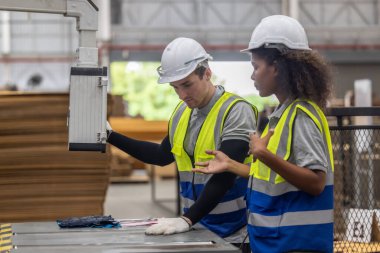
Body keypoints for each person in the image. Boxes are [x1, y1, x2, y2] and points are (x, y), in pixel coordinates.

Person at [193, 15, 334, 253]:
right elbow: (275, 178)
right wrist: (232, 166)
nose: (252, 76)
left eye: (255, 67)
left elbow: (316, 182)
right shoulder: (283, 114)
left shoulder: (301, 115)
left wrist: (263, 154)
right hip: (275, 243)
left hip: (296, 245)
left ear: (276, 68)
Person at [107, 37, 258, 252]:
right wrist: (110, 136)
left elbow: (224, 175)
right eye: (175, 87)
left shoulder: (235, 111)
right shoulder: (182, 113)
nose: (182, 95)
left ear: (207, 73)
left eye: (187, 85)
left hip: (236, 233)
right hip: (199, 229)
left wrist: (187, 219)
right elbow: (160, 156)